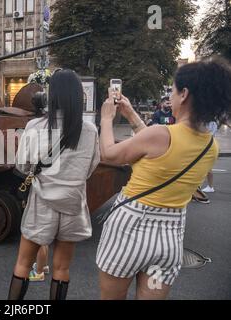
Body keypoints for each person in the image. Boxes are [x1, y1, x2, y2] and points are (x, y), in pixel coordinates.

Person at [97, 57, 230, 300]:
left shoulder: (160, 135)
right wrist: (131, 114)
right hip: (168, 240)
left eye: (174, 91)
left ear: (185, 94)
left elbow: (109, 154)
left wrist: (107, 119)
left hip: (129, 231)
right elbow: (159, 146)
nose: (171, 96)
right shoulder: (211, 147)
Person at [8, 69, 100, 300]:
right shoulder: (89, 130)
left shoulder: (35, 127)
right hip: (73, 204)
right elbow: (91, 167)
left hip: (41, 202)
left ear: (52, 95)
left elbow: (22, 165)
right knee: (61, 269)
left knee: (23, 264)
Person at [202, 121, 219, 193]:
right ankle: (209, 186)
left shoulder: (212, 122)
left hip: (207, 145)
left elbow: (209, 134)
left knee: (207, 167)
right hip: (207, 145)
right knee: (206, 167)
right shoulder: (212, 121)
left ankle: (210, 186)